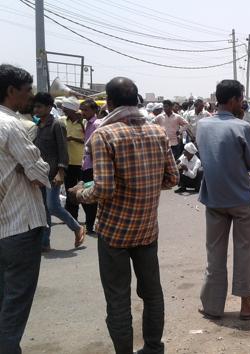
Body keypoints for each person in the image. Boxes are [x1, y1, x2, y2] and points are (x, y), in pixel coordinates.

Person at [70, 77, 179, 354]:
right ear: (137, 100)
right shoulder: (157, 132)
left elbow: (104, 188)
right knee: (152, 294)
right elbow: (172, 178)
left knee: (118, 299)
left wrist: (79, 193)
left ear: (110, 102)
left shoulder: (104, 136)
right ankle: (154, 348)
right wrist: (146, 187)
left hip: (114, 233)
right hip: (146, 229)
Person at [195, 79, 250, 321]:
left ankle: (212, 305)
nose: (242, 104)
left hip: (214, 197)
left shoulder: (202, 125)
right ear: (235, 100)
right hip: (240, 198)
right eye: (241, 99)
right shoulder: (242, 127)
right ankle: (246, 305)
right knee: (244, 250)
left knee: (214, 253)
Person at [0, 64, 50, 354]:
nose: (30, 96)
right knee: (15, 305)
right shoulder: (12, 126)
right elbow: (41, 173)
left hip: (6, 225)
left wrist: (26, 169)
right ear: (10, 91)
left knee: (4, 299)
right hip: (20, 225)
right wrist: (29, 169)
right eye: (27, 90)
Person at [33, 92, 85, 251]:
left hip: (54, 173)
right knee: (43, 209)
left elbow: (63, 151)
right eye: (35, 106)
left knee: (53, 206)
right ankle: (45, 242)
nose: (36, 109)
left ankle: (76, 227)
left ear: (49, 107)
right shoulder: (37, 126)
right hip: (41, 173)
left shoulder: (57, 124)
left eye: (40, 106)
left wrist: (61, 172)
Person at [60, 97, 88, 228]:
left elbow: (87, 141)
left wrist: (73, 138)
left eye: (66, 109)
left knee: (83, 189)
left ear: (72, 109)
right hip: (68, 161)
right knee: (69, 189)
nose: (63, 111)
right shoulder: (61, 121)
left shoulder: (84, 123)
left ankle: (90, 219)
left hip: (81, 162)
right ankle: (71, 217)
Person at [79, 99, 101, 235]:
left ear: (94, 110)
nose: (83, 112)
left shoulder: (97, 124)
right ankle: (90, 223)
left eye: (86, 110)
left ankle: (90, 224)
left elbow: (96, 145)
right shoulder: (86, 123)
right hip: (86, 164)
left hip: (93, 166)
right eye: (82, 110)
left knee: (90, 196)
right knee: (86, 195)